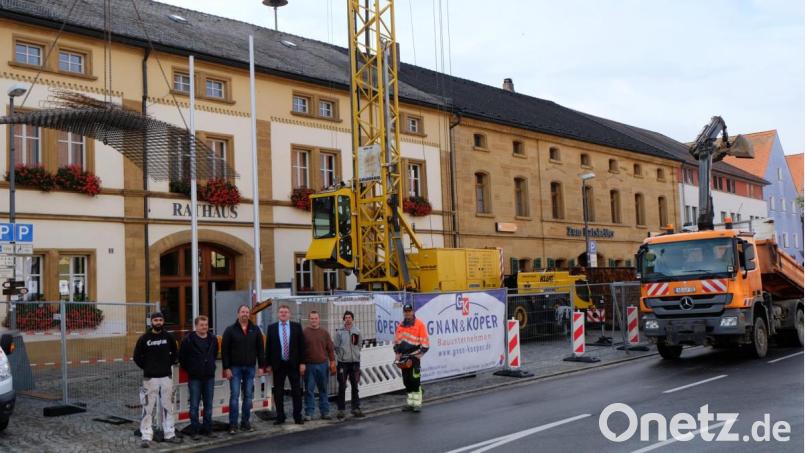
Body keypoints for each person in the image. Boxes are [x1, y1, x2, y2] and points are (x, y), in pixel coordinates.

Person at [133, 312, 180, 448]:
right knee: (147, 407)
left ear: (163, 321)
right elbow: (136, 356)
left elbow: (175, 353)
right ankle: (146, 436)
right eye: (155, 320)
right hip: (150, 378)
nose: (158, 322)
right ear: (151, 322)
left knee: (168, 407)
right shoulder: (144, 338)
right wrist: (147, 367)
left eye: (160, 320)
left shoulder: (169, 337)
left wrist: (168, 364)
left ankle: (169, 434)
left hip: (166, 377)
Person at [221, 305, 266, 435]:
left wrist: (262, 366)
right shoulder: (230, 330)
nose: (245, 314)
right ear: (238, 314)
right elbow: (225, 351)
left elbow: (260, 350)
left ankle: (245, 422)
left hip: (250, 368)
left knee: (248, 396)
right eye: (242, 312)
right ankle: (233, 424)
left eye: (247, 312)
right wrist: (226, 368)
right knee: (234, 396)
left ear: (249, 314)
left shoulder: (255, 329)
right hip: (235, 368)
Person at [265, 304, 306, 425]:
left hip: (293, 364)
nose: (283, 314)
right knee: (278, 392)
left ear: (289, 314)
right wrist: (268, 364)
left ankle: (297, 417)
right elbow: (268, 348)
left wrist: (303, 363)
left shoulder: (296, 327)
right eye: (281, 312)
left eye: (286, 312)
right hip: (278, 365)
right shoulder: (272, 328)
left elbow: (302, 347)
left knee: (296, 392)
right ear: (278, 314)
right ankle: (280, 416)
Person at [179, 315, 218, 440]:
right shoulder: (188, 340)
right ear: (196, 326)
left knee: (208, 404)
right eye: (201, 325)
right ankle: (194, 430)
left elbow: (214, 354)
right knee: (194, 405)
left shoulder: (213, 339)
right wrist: (191, 369)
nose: (204, 327)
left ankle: (208, 429)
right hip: (195, 377)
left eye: (206, 325)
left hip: (209, 376)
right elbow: (182, 358)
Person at [393, 303, 430, 412]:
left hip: (414, 357)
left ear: (412, 312)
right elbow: (397, 341)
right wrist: (397, 352)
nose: (407, 313)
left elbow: (425, 342)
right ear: (404, 312)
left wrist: (421, 353)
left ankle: (417, 404)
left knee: (415, 381)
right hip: (404, 358)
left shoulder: (419, 324)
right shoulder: (400, 325)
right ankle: (410, 404)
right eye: (406, 311)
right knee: (407, 381)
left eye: (409, 311)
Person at [302, 311, 336, 421]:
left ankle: (325, 412)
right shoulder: (305, 332)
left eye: (315, 318)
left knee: (323, 389)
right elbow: (300, 350)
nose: (314, 320)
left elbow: (330, 349)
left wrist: (332, 361)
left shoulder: (324, 333)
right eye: (312, 318)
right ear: (309, 320)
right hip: (309, 365)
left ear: (319, 319)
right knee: (309, 390)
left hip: (322, 365)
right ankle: (309, 413)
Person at [333, 310, 364, 419]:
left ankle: (356, 408)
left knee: (355, 386)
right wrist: (342, 355)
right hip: (343, 363)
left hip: (355, 363)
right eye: (346, 317)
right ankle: (341, 410)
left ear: (352, 319)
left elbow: (359, 345)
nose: (348, 319)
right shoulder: (339, 332)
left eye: (349, 317)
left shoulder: (358, 331)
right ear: (343, 319)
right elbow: (336, 347)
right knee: (342, 386)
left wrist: (355, 354)